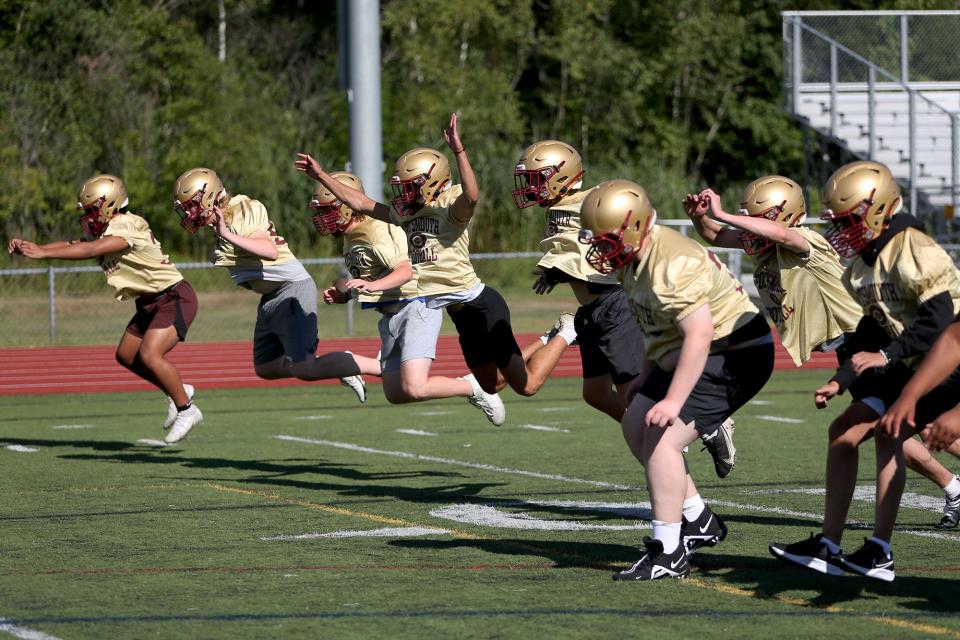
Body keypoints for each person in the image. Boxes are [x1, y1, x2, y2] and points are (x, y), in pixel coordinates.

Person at [295, 113, 575, 401]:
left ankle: (566, 332)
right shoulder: (405, 215)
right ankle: (545, 338)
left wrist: (459, 151)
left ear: (431, 181)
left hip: (480, 306)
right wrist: (321, 176)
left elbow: (473, 195)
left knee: (526, 386)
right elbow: (361, 203)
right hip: (459, 315)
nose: (403, 192)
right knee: (493, 385)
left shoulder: (450, 210)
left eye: (409, 185)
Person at [770, 161, 960, 582]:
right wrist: (843, 379)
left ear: (878, 210)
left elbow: (940, 321)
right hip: (916, 358)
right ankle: (829, 545)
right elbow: (871, 326)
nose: (843, 230)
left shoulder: (912, 246)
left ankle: (879, 549)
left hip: (950, 358)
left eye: (849, 220)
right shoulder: (862, 262)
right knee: (843, 431)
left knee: (891, 432)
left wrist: (887, 357)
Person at [579, 179, 774, 580]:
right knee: (635, 422)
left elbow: (699, 335)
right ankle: (698, 519)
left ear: (632, 228)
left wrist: (671, 401)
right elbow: (657, 325)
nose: (599, 250)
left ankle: (668, 552)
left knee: (665, 442)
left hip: (734, 353)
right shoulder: (637, 257)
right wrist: (647, 376)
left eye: (606, 239)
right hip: (694, 350)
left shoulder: (671, 263)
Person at [515, 140, 735, 477]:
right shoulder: (559, 207)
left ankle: (702, 426)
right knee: (595, 393)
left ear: (562, 176)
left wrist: (561, 270)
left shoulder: (591, 202)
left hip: (614, 304)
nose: (531, 186)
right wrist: (557, 269)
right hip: (591, 309)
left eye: (537, 178)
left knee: (636, 396)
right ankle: (662, 430)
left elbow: (622, 239)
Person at [8, 174, 201, 444]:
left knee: (150, 354)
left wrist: (43, 253)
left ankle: (187, 410)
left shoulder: (127, 224)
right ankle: (178, 390)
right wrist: (36, 247)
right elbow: (76, 245)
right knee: (126, 355)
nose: (88, 217)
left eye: (91, 210)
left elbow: (94, 249)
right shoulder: (107, 228)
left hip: (173, 297)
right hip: (148, 302)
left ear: (109, 204)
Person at [309, 171, 505, 424]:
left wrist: (373, 285)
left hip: (414, 306)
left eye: (327, 210)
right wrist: (345, 293)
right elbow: (368, 277)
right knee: (396, 393)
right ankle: (352, 368)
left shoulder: (375, 230)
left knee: (415, 387)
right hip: (391, 316)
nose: (322, 218)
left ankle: (473, 388)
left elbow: (404, 271)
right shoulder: (351, 234)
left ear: (345, 206)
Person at [172, 167, 377, 399]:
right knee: (267, 367)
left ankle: (369, 367)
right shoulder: (223, 220)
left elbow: (269, 251)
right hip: (272, 296)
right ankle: (337, 366)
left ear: (209, 198)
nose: (188, 213)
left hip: (291, 289)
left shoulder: (240, 211)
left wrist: (227, 237)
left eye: (191, 205)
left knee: (305, 368)